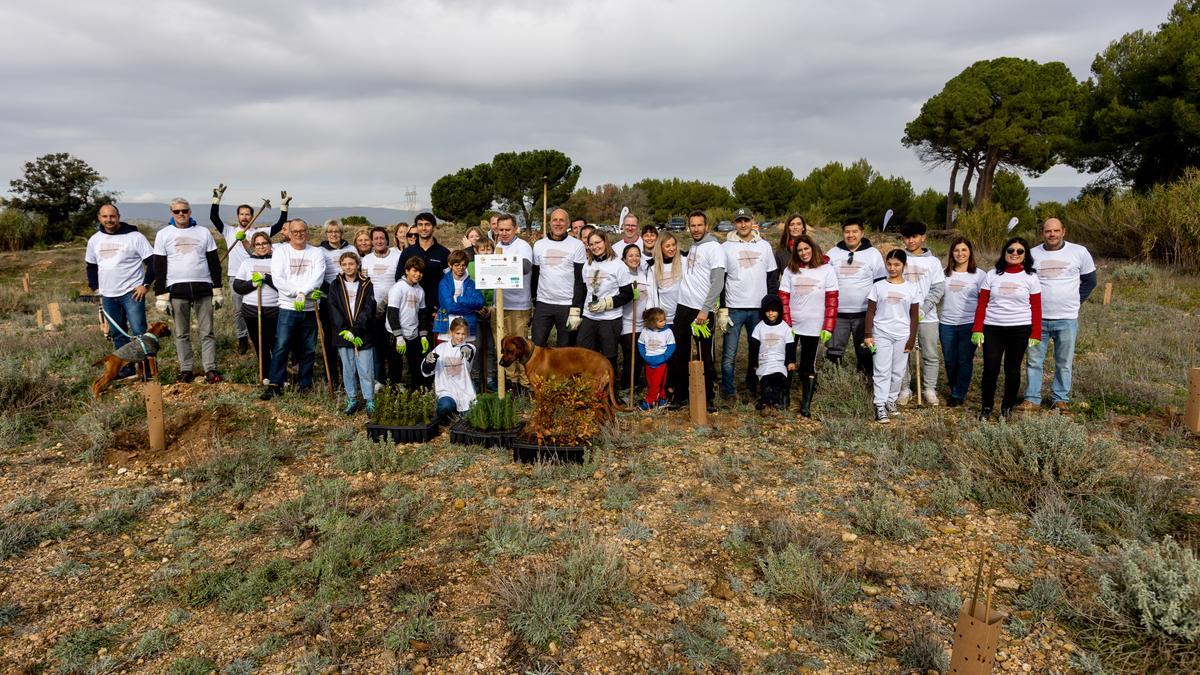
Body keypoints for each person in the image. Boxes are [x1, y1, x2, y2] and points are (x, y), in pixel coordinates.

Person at [1018, 218, 1097, 412]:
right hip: (1037, 319)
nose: (1052, 234)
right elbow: (1023, 281)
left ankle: (1060, 398)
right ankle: (1032, 399)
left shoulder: (1079, 252)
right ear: (1042, 233)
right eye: (1047, 231)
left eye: (1056, 231)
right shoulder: (1033, 254)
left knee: (1064, 362)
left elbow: (1090, 281)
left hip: (1067, 319)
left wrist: (1075, 301)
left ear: (1064, 231)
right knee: (1034, 360)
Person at [209, 185, 289, 354]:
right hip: (237, 277)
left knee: (264, 309)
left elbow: (280, 224)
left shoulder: (261, 232)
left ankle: (265, 339)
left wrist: (284, 207)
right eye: (242, 214)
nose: (245, 217)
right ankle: (242, 340)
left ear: (252, 216)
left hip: (262, 276)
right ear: (238, 216)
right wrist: (216, 200)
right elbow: (214, 218)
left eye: (248, 214)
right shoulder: (230, 231)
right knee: (239, 312)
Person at [152, 198, 224, 383]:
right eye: (177, 211)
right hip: (176, 290)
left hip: (203, 288)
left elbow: (214, 263)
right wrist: (161, 296)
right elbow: (159, 267)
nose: (181, 214)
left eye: (184, 210)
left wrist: (217, 290)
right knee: (181, 333)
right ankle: (186, 369)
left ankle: (210, 369)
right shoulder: (163, 234)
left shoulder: (203, 232)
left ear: (190, 212)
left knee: (207, 332)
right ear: (172, 213)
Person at [971, 237, 1042, 419]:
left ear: (1025, 255)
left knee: (1012, 369)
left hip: (1020, 329)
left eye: (1020, 251)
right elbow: (982, 304)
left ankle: (1006, 408)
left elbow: (1036, 307)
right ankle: (986, 407)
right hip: (993, 328)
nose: (1015, 254)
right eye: (1011, 250)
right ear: (1004, 252)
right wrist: (977, 329)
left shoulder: (1031, 277)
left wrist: (1036, 332)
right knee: (990, 368)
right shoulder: (992, 275)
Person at [86, 204, 155, 379]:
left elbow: (153, 262)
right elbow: (91, 266)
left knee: (139, 333)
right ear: (99, 218)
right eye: (105, 216)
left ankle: (147, 370)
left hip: (132, 293)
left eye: (112, 216)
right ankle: (126, 369)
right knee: (118, 334)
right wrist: (96, 288)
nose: (109, 220)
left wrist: (145, 285)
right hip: (108, 295)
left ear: (118, 216)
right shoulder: (95, 239)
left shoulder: (135, 237)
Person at [261, 219, 327, 400]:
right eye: (295, 231)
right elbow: (278, 278)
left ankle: (304, 384)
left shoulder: (316, 252)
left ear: (307, 232)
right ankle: (276, 383)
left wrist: (303, 293)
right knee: (282, 345)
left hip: (309, 308)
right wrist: (295, 293)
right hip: (288, 306)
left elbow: (317, 277)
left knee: (308, 348)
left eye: (303, 230)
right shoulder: (281, 252)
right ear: (289, 232)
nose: (299, 234)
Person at [667, 210, 725, 413]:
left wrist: (705, 310)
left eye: (699, 225)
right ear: (689, 227)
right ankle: (681, 395)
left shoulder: (714, 248)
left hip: (702, 311)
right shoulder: (693, 247)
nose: (696, 229)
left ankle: (708, 398)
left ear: (706, 226)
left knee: (705, 355)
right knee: (680, 353)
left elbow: (718, 282)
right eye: (692, 225)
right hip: (683, 307)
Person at [719, 208, 778, 399]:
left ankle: (752, 387)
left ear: (753, 220)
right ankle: (728, 391)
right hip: (734, 308)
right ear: (734, 223)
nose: (743, 224)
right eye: (739, 221)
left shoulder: (764, 246)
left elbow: (771, 277)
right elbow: (722, 279)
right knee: (729, 354)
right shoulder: (726, 247)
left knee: (757, 351)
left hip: (759, 309)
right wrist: (722, 308)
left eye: (746, 220)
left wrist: (771, 306)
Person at [778, 234, 838, 417]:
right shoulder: (790, 270)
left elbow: (832, 300)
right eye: (800, 250)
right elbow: (783, 297)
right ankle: (785, 397)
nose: (804, 253)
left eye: (806, 248)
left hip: (814, 326)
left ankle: (805, 404)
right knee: (787, 361)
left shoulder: (827, 270)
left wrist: (828, 327)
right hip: (793, 325)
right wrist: (787, 323)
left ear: (813, 247)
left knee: (807, 364)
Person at [863, 249, 919, 424]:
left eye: (897, 264)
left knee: (898, 371)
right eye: (889, 264)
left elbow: (914, 315)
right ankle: (879, 404)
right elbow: (870, 312)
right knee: (882, 370)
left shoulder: (911, 288)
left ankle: (891, 400)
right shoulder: (878, 286)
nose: (892, 268)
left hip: (902, 334)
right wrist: (868, 334)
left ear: (904, 266)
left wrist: (911, 339)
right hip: (881, 333)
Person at [825, 219, 887, 378]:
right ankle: (832, 384)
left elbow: (880, 285)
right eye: (847, 232)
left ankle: (869, 382)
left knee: (868, 350)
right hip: (838, 314)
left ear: (862, 233)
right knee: (833, 352)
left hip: (865, 314)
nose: (850, 235)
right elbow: (824, 279)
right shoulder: (833, 253)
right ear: (843, 233)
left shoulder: (873, 254)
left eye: (854, 231)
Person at [897, 221, 946, 406]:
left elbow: (937, 289)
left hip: (927, 318)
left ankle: (929, 389)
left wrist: (923, 310)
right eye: (907, 237)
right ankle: (904, 389)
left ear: (923, 237)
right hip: (902, 317)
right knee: (903, 353)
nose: (911, 241)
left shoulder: (933, 262)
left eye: (915, 237)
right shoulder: (900, 258)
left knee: (930, 354)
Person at [579, 231, 634, 376]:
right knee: (585, 356)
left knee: (609, 359)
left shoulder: (618, 265)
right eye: (591, 244)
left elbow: (628, 294)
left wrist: (607, 303)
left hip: (610, 319)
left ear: (605, 242)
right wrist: (576, 312)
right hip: (589, 317)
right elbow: (585, 291)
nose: (595, 247)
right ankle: (589, 393)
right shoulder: (587, 265)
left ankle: (610, 394)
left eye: (598, 242)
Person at [327, 251, 377, 415]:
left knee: (366, 369)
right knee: (348, 369)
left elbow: (369, 309)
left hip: (363, 333)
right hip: (342, 335)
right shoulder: (335, 285)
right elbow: (333, 308)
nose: (348, 267)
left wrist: (355, 330)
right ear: (341, 266)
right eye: (345, 264)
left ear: (357, 265)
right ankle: (352, 399)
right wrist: (344, 331)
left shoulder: (366, 284)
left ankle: (370, 400)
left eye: (351, 264)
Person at [939, 237, 986, 407]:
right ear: (952, 253)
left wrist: (980, 327)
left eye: (964, 250)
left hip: (969, 324)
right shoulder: (944, 274)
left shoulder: (979, 275)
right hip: (946, 324)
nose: (960, 253)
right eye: (957, 250)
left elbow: (984, 301)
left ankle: (959, 393)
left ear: (970, 252)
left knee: (964, 360)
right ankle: (954, 386)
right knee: (950, 360)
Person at [531, 207, 586, 347]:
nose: (558, 223)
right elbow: (535, 275)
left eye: (562, 220)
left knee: (565, 349)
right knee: (537, 346)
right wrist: (535, 300)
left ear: (568, 224)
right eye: (555, 220)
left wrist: (576, 308)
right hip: (544, 304)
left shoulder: (577, 245)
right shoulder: (539, 245)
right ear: (550, 223)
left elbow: (580, 280)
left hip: (567, 305)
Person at [492, 213, 534, 387]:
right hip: (499, 305)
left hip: (518, 305)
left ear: (515, 228)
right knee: (502, 347)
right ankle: (511, 382)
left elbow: (525, 267)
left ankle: (525, 384)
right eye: (500, 229)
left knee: (519, 347)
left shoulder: (522, 246)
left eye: (507, 229)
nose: (504, 233)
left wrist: (500, 263)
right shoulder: (496, 246)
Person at [231, 232, 279, 382]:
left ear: (270, 244)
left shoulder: (278, 261)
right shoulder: (247, 263)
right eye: (258, 244)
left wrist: (267, 278)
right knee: (260, 344)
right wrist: (252, 283)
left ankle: (277, 374)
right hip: (252, 310)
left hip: (275, 309)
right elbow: (237, 286)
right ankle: (265, 374)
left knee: (275, 344)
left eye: (264, 243)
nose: (261, 246)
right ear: (253, 247)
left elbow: (284, 286)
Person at [398, 212, 451, 341]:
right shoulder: (408, 252)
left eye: (427, 224)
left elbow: (449, 282)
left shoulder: (444, 253)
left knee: (436, 348)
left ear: (434, 227)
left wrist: (441, 305)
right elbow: (399, 278)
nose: (423, 228)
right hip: (413, 309)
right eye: (420, 225)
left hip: (436, 310)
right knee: (415, 350)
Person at [363, 227, 402, 385]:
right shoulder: (367, 260)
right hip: (373, 309)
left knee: (393, 344)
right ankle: (379, 379)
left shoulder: (397, 256)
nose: (379, 241)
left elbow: (400, 280)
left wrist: (385, 302)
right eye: (376, 238)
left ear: (387, 240)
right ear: (372, 242)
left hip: (392, 306)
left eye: (382, 238)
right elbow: (364, 283)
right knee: (377, 345)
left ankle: (396, 381)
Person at [318, 219, 353, 386]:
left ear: (341, 233)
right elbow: (319, 274)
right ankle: (331, 375)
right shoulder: (320, 251)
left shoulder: (350, 248)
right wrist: (333, 291)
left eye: (337, 231)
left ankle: (348, 375)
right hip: (328, 299)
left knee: (345, 337)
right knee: (330, 339)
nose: (333, 234)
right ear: (326, 234)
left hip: (348, 299)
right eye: (330, 231)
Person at [620, 244, 658, 396]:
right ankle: (625, 388)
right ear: (624, 258)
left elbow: (650, 294)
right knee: (631, 355)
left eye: (637, 255)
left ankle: (634, 385)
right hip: (626, 323)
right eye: (630, 255)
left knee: (641, 355)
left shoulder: (643, 273)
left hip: (643, 323)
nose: (634, 258)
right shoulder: (622, 274)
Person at [387, 257, 431, 391]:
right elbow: (392, 313)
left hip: (413, 334)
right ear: (407, 271)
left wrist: (423, 335)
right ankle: (395, 389)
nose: (418, 275)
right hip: (397, 335)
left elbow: (422, 314)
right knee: (396, 364)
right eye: (414, 271)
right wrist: (398, 336)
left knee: (416, 363)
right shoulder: (398, 288)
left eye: (421, 272)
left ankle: (417, 389)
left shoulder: (420, 291)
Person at [421, 318, 477, 418]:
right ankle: (447, 420)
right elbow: (426, 372)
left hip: (465, 391)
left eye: (463, 334)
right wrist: (428, 362)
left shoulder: (470, 347)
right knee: (445, 406)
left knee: (472, 416)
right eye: (457, 333)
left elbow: (470, 351)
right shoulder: (440, 349)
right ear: (451, 332)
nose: (460, 337)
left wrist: (466, 349)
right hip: (447, 391)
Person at [749, 294, 796, 412]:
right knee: (765, 382)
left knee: (777, 381)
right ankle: (765, 403)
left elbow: (790, 346)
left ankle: (775, 403)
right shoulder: (759, 327)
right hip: (764, 360)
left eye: (774, 311)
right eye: (768, 311)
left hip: (779, 361)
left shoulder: (785, 328)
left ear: (779, 311)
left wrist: (790, 361)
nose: (771, 314)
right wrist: (754, 363)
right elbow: (753, 347)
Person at [436, 250, 485, 343]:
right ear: (450, 265)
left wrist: (460, 299)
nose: (460, 268)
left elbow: (480, 302)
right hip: (448, 326)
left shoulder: (471, 283)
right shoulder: (444, 283)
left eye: (463, 265)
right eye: (457, 265)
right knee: (448, 356)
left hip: (468, 326)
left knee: (467, 355)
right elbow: (449, 307)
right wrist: (472, 309)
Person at [470, 238, 498, 390]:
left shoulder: (498, 264)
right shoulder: (470, 267)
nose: (486, 253)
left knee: (492, 347)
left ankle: (490, 378)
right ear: (476, 251)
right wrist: (476, 306)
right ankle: (475, 378)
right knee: (478, 346)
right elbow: (467, 288)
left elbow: (498, 289)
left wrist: (493, 306)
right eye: (483, 250)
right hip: (476, 311)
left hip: (492, 311)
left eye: (489, 250)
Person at [637, 307, 675, 410]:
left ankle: (649, 402)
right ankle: (661, 398)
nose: (664, 322)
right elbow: (640, 343)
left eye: (664, 320)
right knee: (651, 382)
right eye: (660, 321)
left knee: (656, 383)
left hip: (661, 361)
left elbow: (671, 346)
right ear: (652, 322)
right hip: (649, 361)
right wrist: (644, 355)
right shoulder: (645, 331)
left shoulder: (667, 332)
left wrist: (664, 357)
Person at [652, 231, 683, 327]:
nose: (672, 248)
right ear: (660, 247)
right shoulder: (653, 267)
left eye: (674, 245)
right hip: (663, 319)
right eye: (667, 246)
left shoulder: (683, 261)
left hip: (682, 315)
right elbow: (653, 293)